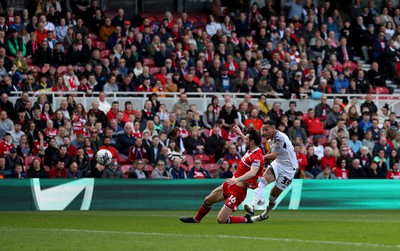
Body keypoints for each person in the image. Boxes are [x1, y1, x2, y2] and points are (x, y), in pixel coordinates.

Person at [180, 126, 263, 224]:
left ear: (252, 142)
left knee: (221, 220)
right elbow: (246, 139)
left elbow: (253, 172)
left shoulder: (257, 156)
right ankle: (196, 219)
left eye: (247, 139)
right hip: (230, 184)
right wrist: (240, 132)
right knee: (208, 200)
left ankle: (246, 219)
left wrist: (237, 180)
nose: (244, 140)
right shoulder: (251, 149)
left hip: (238, 191)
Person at [244, 120, 298, 222]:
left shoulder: (279, 137)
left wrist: (259, 159)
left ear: (273, 129)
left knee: (272, 198)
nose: (264, 132)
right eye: (263, 130)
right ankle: (252, 206)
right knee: (263, 180)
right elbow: (271, 152)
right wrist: (263, 162)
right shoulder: (271, 140)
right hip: (277, 164)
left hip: (288, 170)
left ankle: (264, 215)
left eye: (266, 130)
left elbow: (273, 155)